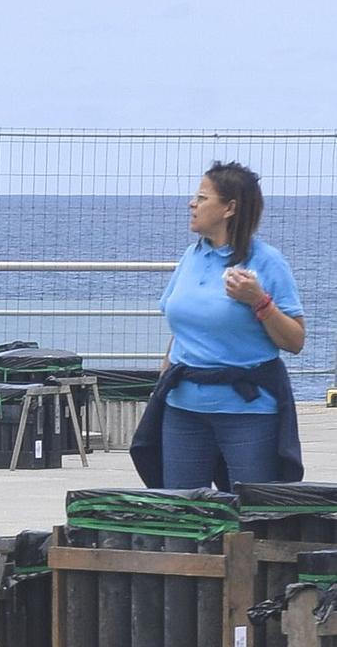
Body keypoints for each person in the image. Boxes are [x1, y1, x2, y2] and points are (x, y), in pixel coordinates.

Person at [131, 162, 305, 489]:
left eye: (201, 197)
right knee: (182, 514)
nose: (191, 204)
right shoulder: (191, 257)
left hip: (247, 412)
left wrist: (260, 302)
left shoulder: (267, 261)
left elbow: (295, 340)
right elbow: (185, 325)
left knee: (250, 516)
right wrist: (165, 372)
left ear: (229, 208)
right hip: (183, 408)